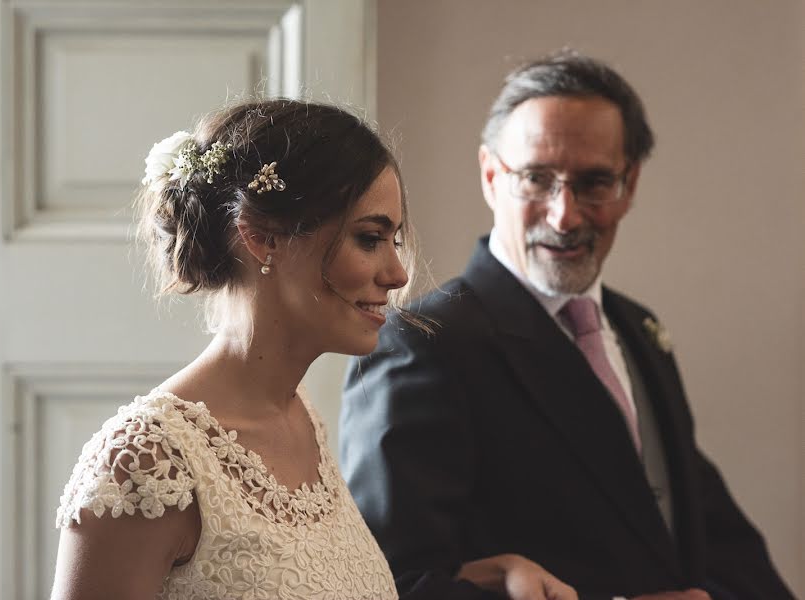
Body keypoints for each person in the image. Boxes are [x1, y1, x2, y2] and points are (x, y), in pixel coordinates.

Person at [50, 99, 577, 600]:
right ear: (263, 238)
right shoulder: (147, 461)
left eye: (394, 240)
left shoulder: (304, 423)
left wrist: (488, 573)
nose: (396, 274)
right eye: (370, 238)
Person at [339, 53, 796, 600]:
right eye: (536, 179)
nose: (564, 215)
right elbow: (395, 584)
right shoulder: (424, 343)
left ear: (629, 186)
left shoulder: (638, 328)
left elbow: (704, 534)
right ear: (490, 175)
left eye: (594, 183)